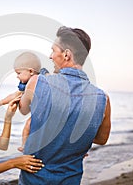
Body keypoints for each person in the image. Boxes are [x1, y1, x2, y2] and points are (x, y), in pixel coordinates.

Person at [18, 26, 111, 184]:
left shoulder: (37, 82)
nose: (50, 56)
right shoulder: (102, 99)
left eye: (53, 50)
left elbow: (23, 109)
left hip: (33, 180)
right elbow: (101, 139)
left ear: (66, 54)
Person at [0, 52, 48, 152]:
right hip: (38, 115)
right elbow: (15, 95)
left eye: (19, 73)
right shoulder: (24, 85)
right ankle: (24, 145)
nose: (17, 77)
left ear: (31, 71)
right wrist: (0, 102)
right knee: (28, 125)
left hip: (50, 112)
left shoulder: (44, 78)